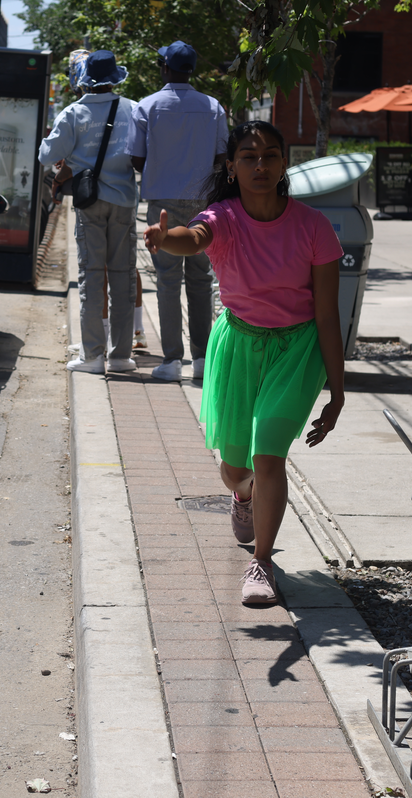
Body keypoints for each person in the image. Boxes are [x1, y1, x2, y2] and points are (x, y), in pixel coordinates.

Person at [144, 121, 346, 605]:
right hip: (238, 345)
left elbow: (326, 313)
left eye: (270, 156)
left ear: (284, 164)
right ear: (232, 167)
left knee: (269, 452)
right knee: (237, 469)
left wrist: (337, 391)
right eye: (249, 157)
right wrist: (163, 237)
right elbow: (194, 238)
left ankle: (262, 562)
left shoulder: (313, 226)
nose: (261, 165)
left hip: (296, 353)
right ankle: (243, 496)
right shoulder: (225, 218)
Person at [128, 40, 229, 381]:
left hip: (163, 205)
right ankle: (202, 360)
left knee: (168, 281)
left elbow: (136, 158)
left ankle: (172, 360)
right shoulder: (213, 107)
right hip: (204, 200)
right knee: (201, 279)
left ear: (165, 68)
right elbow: (221, 156)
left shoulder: (146, 107)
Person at [41, 49, 139, 374]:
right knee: (122, 277)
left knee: (92, 277)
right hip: (124, 201)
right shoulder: (133, 110)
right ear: (115, 78)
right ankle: (122, 356)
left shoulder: (73, 112)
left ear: (85, 79)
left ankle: (93, 356)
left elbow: (47, 155)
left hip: (89, 201)